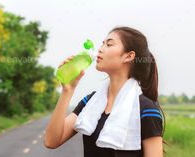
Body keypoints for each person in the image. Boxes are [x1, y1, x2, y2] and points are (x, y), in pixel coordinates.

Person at [44, 26, 165, 157]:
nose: (100, 49)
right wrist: (67, 90)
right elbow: (51, 141)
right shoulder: (90, 102)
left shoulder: (146, 109)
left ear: (129, 56)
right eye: (102, 44)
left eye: (109, 44)